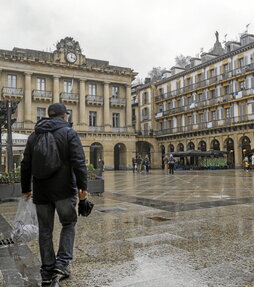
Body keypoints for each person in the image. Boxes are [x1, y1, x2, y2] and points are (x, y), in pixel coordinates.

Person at [21, 103, 88, 286]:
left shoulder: (34, 135)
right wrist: (83, 187)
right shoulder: (69, 133)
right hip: (64, 190)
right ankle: (62, 264)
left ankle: (47, 268)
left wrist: (26, 188)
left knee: (45, 230)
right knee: (68, 223)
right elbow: (79, 162)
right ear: (64, 116)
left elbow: (26, 164)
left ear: (49, 117)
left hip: (41, 191)